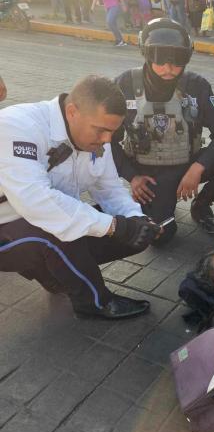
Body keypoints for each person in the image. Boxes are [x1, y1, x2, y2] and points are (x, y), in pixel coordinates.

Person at [0, 75, 160, 319]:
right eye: (102, 130)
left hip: (26, 222)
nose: (107, 140)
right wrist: (115, 226)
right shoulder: (17, 126)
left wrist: (136, 219)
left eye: (113, 132)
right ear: (72, 111)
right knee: (55, 227)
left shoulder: (97, 139)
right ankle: (94, 302)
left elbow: (109, 188)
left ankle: (52, 273)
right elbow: (36, 201)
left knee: (129, 232)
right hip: (7, 227)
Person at [112, 18, 214, 243]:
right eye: (159, 57)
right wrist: (132, 177)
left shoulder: (197, 85)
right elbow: (107, 141)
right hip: (148, 175)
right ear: (146, 53)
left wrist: (197, 168)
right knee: (160, 238)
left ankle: (201, 206)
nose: (168, 67)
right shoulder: (124, 84)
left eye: (177, 60)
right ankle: (159, 205)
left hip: (187, 163)